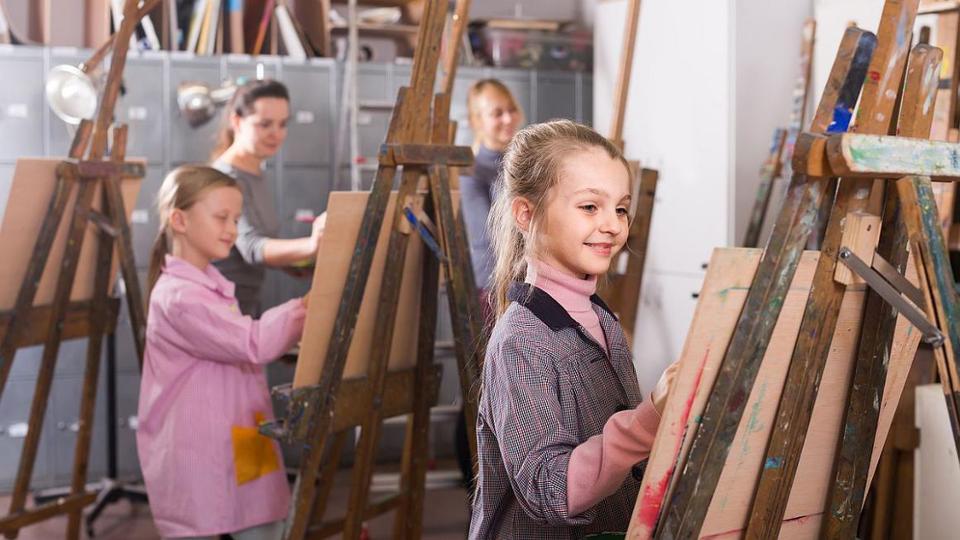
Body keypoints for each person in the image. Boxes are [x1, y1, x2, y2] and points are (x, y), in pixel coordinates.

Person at [469, 120, 676, 538]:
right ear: (526, 214)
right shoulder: (522, 341)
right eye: (589, 207)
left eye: (620, 208)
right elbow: (549, 490)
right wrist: (649, 419)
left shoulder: (603, 321)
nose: (614, 225)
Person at [137, 165, 307, 540]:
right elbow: (252, 342)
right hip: (198, 445)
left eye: (236, 218)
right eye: (221, 218)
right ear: (179, 220)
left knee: (263, 519)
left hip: (243, 429)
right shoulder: (179, 296)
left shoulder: (212, 284)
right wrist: (306, 308)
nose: (232, 229)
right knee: (206, 520)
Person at [211, 78, 326, 316]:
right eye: (265, 124)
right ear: (237, 121)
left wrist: (288, 262)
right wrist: (311, 246)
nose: (277, 134)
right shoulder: (227, 178)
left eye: (283, 124)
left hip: (242, 307)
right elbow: (251, 248)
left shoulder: (255, 172)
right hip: (218, 312)